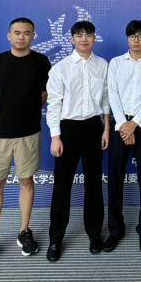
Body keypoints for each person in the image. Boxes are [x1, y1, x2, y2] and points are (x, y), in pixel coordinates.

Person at [0, 17, 51, 266]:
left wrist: (26, 112)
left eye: (26, 33)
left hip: (29, 133)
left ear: (33, 36)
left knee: (26, 181)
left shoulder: (41, 62)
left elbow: (44, 93)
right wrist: (4, 113)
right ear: (9, 36)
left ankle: (24, 231)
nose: (21, 37)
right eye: (17, 32)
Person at [45, 20, 110, 262]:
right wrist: (55, 136)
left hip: (93, 127)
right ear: (71, 38)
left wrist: (106, 129)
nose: (84, 39)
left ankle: (94, 234)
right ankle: (56, 239)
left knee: (94, 184)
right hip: (68, 129)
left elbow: (106, 99)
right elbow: (54, 104)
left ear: (94, 37)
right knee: (62, 186)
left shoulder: (102, 65)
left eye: (88, 34)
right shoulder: (60, 68)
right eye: (79, 35)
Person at [104, 20, 141, 253]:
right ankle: (115, 229)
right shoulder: (116, 63)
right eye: (132, 36)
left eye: (140, 36)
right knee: (115, 177)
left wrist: (134, 123)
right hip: (120, 123)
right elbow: (112, 94)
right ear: (127, 38)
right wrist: (123, 125)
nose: (136, 40)